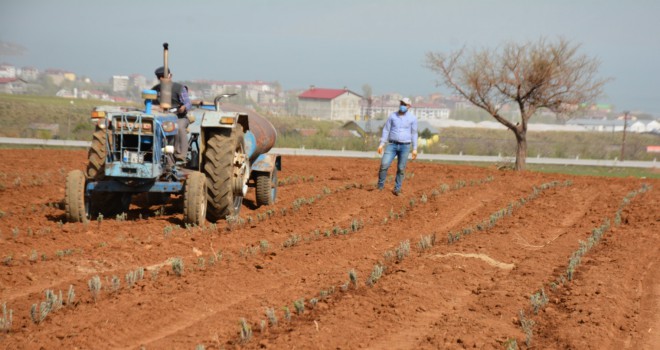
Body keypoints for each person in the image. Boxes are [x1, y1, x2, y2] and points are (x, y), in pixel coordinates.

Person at [376, 97, 418, 196]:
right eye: (401, 103)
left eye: (404, 104)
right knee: (384, 165)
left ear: (409, 106)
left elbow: (414, 133)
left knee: (401, 168)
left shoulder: (412, 118)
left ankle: (397, 189)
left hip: (405, 146)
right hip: (392, 144)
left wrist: (415, 148)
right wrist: (382, 144)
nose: (402, 105)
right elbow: (386, 130)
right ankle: (380, 186)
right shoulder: (392, 116)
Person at [152, 66, 192, 163]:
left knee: (178, 127)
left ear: (170, 76)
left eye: (164, 76)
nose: (162, 78)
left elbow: (188, 103)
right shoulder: (155, 89)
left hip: (179, 116)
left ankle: (180, 155)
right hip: (160, 118)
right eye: (160, 77)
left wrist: (183, 108)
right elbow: (148, 103)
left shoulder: (179, 88)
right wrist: (156, 108)